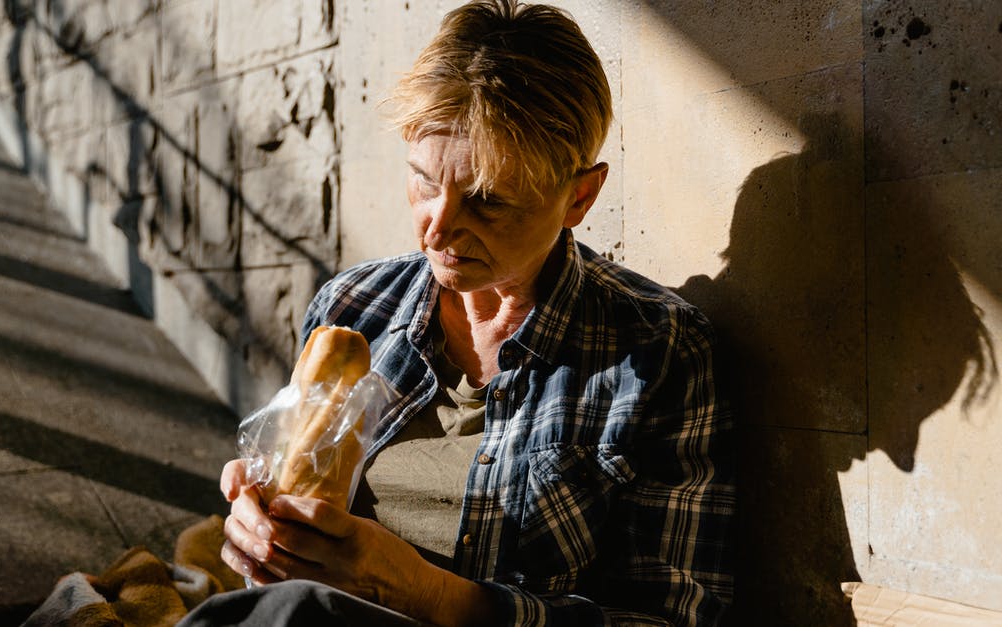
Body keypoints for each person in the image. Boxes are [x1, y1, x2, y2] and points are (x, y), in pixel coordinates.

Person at [198, 1, 736, 625]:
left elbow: (674, 619)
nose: (439, 227)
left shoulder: (658, 352)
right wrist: (262, 534)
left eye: (487, 202)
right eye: (425, 181)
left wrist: (425, 592)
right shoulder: (354, 307)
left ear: (579, 196)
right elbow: (294, 500)